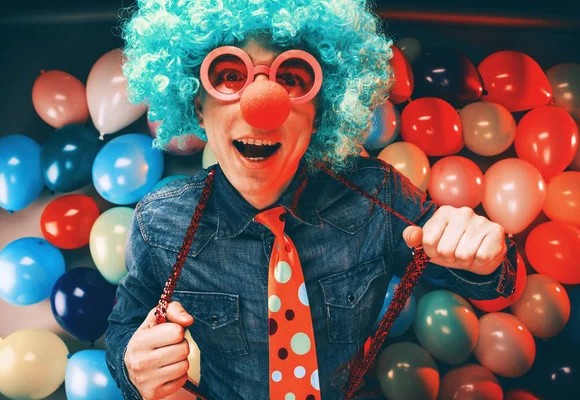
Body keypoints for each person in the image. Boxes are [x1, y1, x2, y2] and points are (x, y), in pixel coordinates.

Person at [105, 1, 517, 399]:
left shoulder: (377, 196)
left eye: (291, 78)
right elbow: (125, 324)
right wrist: (131, 363)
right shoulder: (160, 222)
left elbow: (492, 277)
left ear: (320, 112)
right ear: (198, 106)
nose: (262, 104)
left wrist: (484, 258)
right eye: (230, 75)